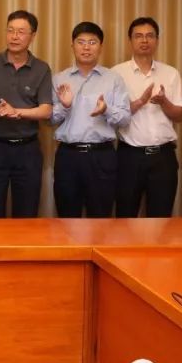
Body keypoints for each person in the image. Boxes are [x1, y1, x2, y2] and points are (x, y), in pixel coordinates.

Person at [0, 10, 53, 218]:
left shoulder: (41, 68)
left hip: (28, 149)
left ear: (32, 36)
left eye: (21, 32)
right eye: (10, 30)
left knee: (27, 213)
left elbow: (46, 110)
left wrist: (16, 112)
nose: (14, 36)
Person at [50, 22, 130, 218]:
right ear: (72, 45)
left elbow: (125, 118)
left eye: (92, 42)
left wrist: (106, 109)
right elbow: (49, 119)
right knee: (67, 218)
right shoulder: (59, 79)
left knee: (101, 217)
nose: (86, 47)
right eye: (81, 42)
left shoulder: (113, 79)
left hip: (101, 155)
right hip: (68, 156)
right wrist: (65, 106)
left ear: (101, 47)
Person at [111, 17, 182, 218]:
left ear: (157, 40)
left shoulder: (170, 73)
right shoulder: (116, 74)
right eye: (138, 36)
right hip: (129, 156)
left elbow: (180, 116)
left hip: (163, 156)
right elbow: (111, 117)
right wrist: (139, 103)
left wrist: (163, 102)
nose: (144, 40)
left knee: (161, 218)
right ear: (130, 40)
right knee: (125, 216)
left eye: (149, 36)